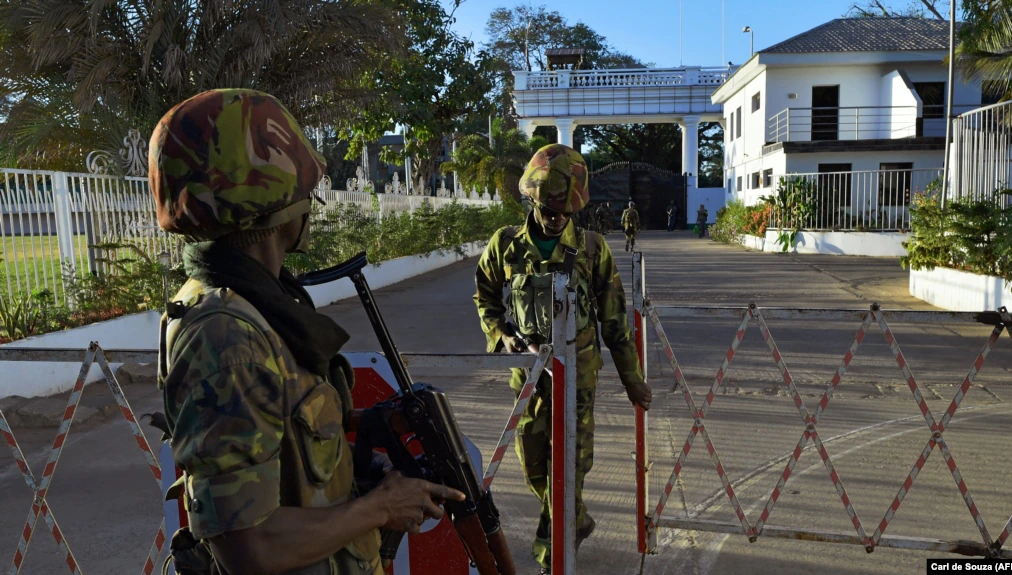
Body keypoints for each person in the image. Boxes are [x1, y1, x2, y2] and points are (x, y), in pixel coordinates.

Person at [152, 89, 464, 575]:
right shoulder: (225, 337)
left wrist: (361, 422)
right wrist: (383, 507)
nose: (309, 204)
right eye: (302, 190)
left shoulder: (258, 302)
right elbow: (249, 548)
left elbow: (275, 427)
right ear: (272, 203)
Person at [473, 144, 653, 575]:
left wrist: (633, 379)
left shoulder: (592, 250)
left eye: (564, 213)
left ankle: (551, 555)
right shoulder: (506, 246)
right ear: (533, 200)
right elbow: (484, 294)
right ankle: (576, 521)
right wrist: (502, 337)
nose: (557, 219)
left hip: (578, 380)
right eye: (550, 210)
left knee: (568, 472)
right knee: (532, 464)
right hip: (529, 380)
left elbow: (614, 321)